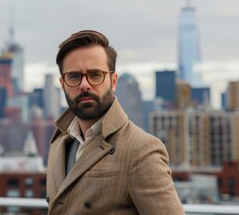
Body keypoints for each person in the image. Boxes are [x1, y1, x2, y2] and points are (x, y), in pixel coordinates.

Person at [46, 30, 185, 214]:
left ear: (113, 81)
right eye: (74, 76)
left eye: (95, 74)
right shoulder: (58, 143)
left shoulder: (140, 149)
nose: (84, 84)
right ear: (62, 84)